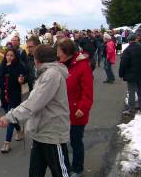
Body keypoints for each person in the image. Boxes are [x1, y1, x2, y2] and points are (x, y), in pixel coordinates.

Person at [0, 44, 70, 177]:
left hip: (52, 134)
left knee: (61, 173)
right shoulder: (45, 74)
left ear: (38, 60)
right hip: (40, 132)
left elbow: (34, 102)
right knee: (35, 173)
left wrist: (10, 117)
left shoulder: (51, 75)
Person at [57, 38, 93, 177]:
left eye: (59, 51)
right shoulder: (60, 64)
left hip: (77, 112)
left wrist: (82, 108)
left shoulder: (82, 66)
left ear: (66, 52)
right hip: (62, 111)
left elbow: (88, 92)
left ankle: (77, 168)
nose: (57, 54)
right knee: (62, 142)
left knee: (76, 141)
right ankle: (65, 166)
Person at [0, 48, 26, 153]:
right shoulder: (2, 65)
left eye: (11, 55)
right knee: (12, 117)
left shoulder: (19, 65)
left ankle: (7, 142)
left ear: (15, 57)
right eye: (7, 55)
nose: (9, 57)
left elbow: (24, 76)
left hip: (14, 96)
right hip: (4, 97)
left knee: (9, 118)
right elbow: (0, 79)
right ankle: (19, 130)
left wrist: (21, 79)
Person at [119, 33, 141, 115]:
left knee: (131, 91)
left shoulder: (127, 51)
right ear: (136, 39)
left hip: (131, 75)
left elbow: (123, 64)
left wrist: (121, 74)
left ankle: (131, 109)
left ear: (129, 41)